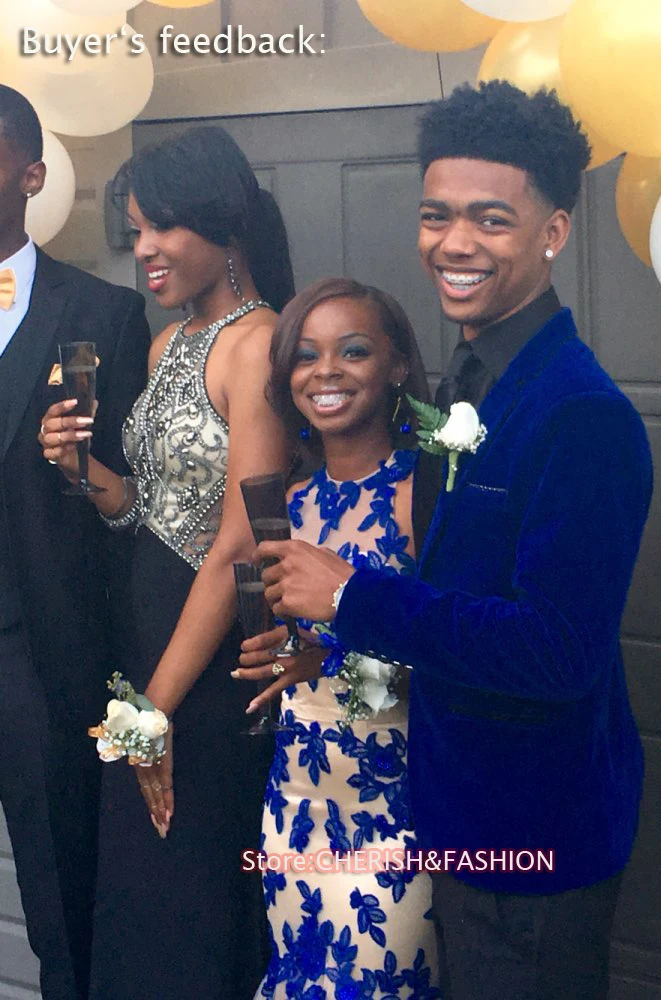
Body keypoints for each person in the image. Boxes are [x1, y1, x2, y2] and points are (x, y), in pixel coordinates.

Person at [249, 82, 654, 1000]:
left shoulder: (582, 414)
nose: (454, 242)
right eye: (437, 215)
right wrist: (328, 651)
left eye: (490, 219)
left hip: (534, 839)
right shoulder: (464, 391)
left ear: (553, 232)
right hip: (444, 816)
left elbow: (557, 652)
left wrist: (349, 596)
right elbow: (451, 591)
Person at [38, 126, 294, 1000]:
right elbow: (145, 512)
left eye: (162, 227)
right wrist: (81, 470)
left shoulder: (261, 343)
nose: (142, 248)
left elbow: (240, 543)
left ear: (224, 227)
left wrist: (155, 708)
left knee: (190, 884)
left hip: (208, 663)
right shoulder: (167, 342)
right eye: (136, 229)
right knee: (137, 882)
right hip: (141, 641)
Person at [233, 277, 440, 998]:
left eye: (352, 351)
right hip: (296, 798)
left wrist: (330, 661)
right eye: (305, 355)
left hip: (395, 806)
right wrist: (280, 659)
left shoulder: (423, 496)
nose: (325, 371)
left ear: (397, 366)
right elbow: (296, 652)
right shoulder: (286, 505)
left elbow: (455, 654)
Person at [0, 86, 150, 1000]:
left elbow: (133, 508)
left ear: (31, 176)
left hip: (44, 665)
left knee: (64, 910)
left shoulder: (105, 315)